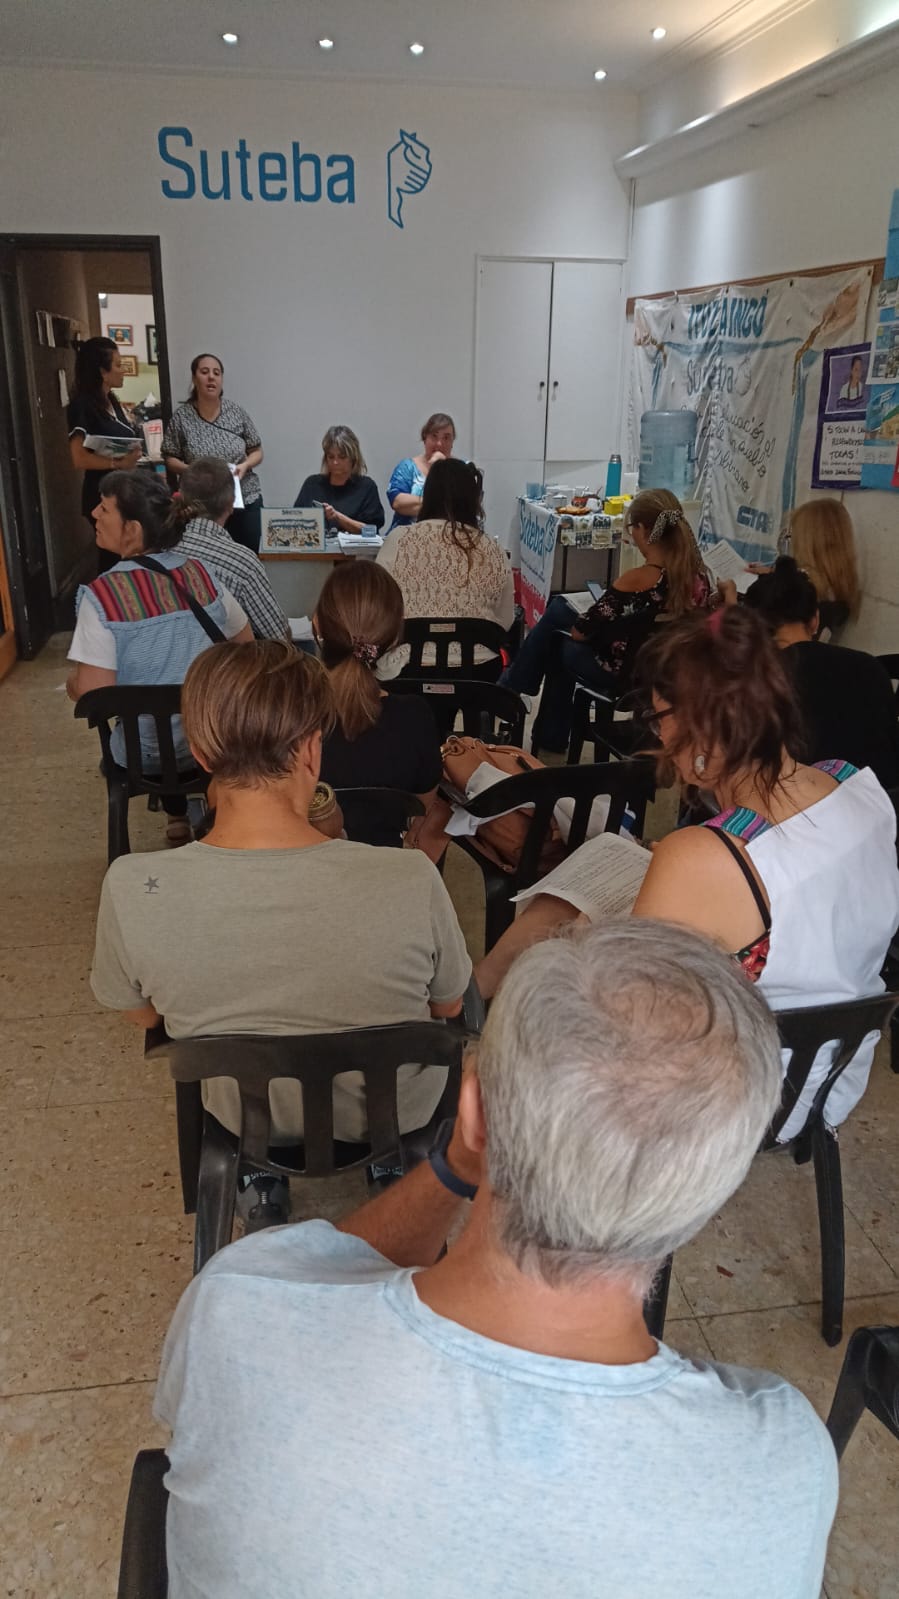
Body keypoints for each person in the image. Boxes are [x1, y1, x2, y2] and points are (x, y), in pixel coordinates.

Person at [154, 918, 838, 1599]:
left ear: (474, 1110)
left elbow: (323, 1268)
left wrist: (455, 1165)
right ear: (715, 1182)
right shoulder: (782, 1459)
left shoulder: (240, 1310)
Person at [477, 607, 899, 1142]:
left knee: (550, 983)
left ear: (700, 727)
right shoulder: (858, 788)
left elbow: (621, 1015)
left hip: (742, 1098)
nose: (658, 737)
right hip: (833, 1074)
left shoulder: (703, 855)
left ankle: (473, 1043)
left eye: (660, 718)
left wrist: (579, 941)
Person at [90, 638, 471, 1218]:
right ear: (313, 750)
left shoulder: (131, 887)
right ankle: (391, 1164)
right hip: (393, 1112)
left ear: (200, 752)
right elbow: (448, 1006)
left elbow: (146, 1018)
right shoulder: (410, 877)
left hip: (246, 1116)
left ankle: (261, 1178)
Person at [67, 470, 252, 844]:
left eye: (104, 508)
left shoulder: (102, 596)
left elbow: (93, 693)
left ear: (133, 530)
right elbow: (246, 647)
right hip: (214, 744)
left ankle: (176, 814)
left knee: (146, 716)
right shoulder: (201, 575)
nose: (94, 513)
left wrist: (72, 684)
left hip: (144, 757)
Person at [502, 488, 711, 753]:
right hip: (666, 669)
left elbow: (580, 633)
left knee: (558, 627)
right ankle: (522, 699)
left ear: (645, 530)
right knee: (560, 618)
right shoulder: (699, 579)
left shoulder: (637, 579)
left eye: (632, 528)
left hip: (622, 671)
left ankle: (515, 691)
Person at [734, 556, 899, 788]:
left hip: (805, 805)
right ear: (815, 620)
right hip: (881, 802)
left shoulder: (759, 683)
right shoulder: (870, 666)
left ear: (754, 629)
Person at [315, 561, 442, 845]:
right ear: (395, 637)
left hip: (303, 866)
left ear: (317, 624)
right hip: (388, 865)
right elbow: (420, 808)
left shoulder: (285, 714)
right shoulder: (415, 717)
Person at [378, 457, 514, 677]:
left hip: (407, 668)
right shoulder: (493, 548)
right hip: (478, 670)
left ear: (428, 494)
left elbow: (378, 608)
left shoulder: (398, 540)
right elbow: (505, 620)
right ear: (474, 499)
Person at [171, 457, 290, 641]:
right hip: (223, 657)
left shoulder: (161, 549)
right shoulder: (242, 562)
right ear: (232, 502)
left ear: (182, 497)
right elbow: (278, 636)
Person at [162, 353, 264, 552]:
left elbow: (257, 451)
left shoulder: (236, 412)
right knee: (206, 557)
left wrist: (245, 465)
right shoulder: (182, 417)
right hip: (201, 504)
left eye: (216, 373)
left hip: (243, 497)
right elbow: (169, 457)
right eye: (204, 372)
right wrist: (192, 471)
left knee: (248, 553)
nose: (211, 377)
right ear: (194, 378)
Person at [67, 336, 142, 573]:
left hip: (122, 488)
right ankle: (109, 592)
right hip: (100, 493)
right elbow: (79, 457)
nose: (123, 371)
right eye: (118, 365)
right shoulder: (83, 405)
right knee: (113, 552)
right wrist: (118, 463)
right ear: (102, 371)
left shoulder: (111, 401)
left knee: (128, 550)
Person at [749, 499, 861, 634]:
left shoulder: (802, 590)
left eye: (793, 536)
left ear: (808, 542)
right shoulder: (836, 586)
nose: (791, 541)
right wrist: (774, 575)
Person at [294, 424, 384, 534]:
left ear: (353, 458)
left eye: (342, 457)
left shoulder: (366, 487)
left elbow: (371, 531)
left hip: (355, 545)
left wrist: (337, 517)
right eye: (331, 457)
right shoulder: (312, 484)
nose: (335, 462)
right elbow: (296, 522)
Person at [386, 410, 456, 530]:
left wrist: (442, 469)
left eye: (446, 438)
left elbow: (465, 508)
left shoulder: (463, 469)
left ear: (452, 441)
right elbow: (398, 503)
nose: (439, 444)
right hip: (407, 535)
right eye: (434, 436)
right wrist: (442, 505)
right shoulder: (407, 467)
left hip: (449, 537)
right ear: (425, 438)